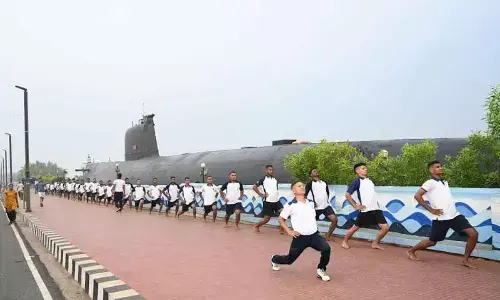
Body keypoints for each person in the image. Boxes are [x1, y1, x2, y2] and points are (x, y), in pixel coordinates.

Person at [406, 160, 478, 268]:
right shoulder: (430, 183)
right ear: (431, 170)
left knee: (473, 234)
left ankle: (465, 260)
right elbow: (417, 196)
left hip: (454, 216)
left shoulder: (444, 182)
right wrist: (431, 210)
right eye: (437, 167)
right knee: (432, 242)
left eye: (441, 166)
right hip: (441, 218)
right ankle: (411, 251)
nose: (441, 168)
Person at [270, 180, 331, 281]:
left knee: (326, 249)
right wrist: (289, 231)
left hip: (314, 236)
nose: (302, 187)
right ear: (293, 190)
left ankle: (321, 269)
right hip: (300, 238)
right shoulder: (291, 205)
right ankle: (274, 259)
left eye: (303, 186)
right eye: (299, 186)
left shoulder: (311, 203)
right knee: (289, 260)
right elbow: (281, 219)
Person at [341, 163, 389, 250]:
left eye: (366, 168)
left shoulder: (369, 181)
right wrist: (355, 205)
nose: (366, 169)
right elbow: (347, 194)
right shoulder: (357, 181)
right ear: (357, 171)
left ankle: (375, 243)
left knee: (385, 227)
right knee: (355, 228)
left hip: (376, 209)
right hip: (365, 210)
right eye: (363, 168)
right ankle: (344, 241)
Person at [305, 168, 338, 241]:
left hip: (326, 206)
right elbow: (305, 195)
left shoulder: (324, 182)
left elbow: (327, 193)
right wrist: (310, 203)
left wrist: (326, 201)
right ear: (311, 174)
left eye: (317, 171)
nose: (316, 172)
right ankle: (310, 235)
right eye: (314, 171)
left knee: (334, 220)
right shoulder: (310, 183)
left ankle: (328, 236)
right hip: (316, 207)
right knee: (310, 222)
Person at [253, 165, 283, 233]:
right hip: (268, 201)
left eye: (272, 170)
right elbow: (254, 187)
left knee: (283, 213)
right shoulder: (263, 179)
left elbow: (275, 189)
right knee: (266, 219)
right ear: (266, 171)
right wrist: (261, 194)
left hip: (276, 201)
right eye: (270, 170)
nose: (271, 171)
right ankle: (256, 226)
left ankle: (281, 229)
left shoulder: (275, 179)